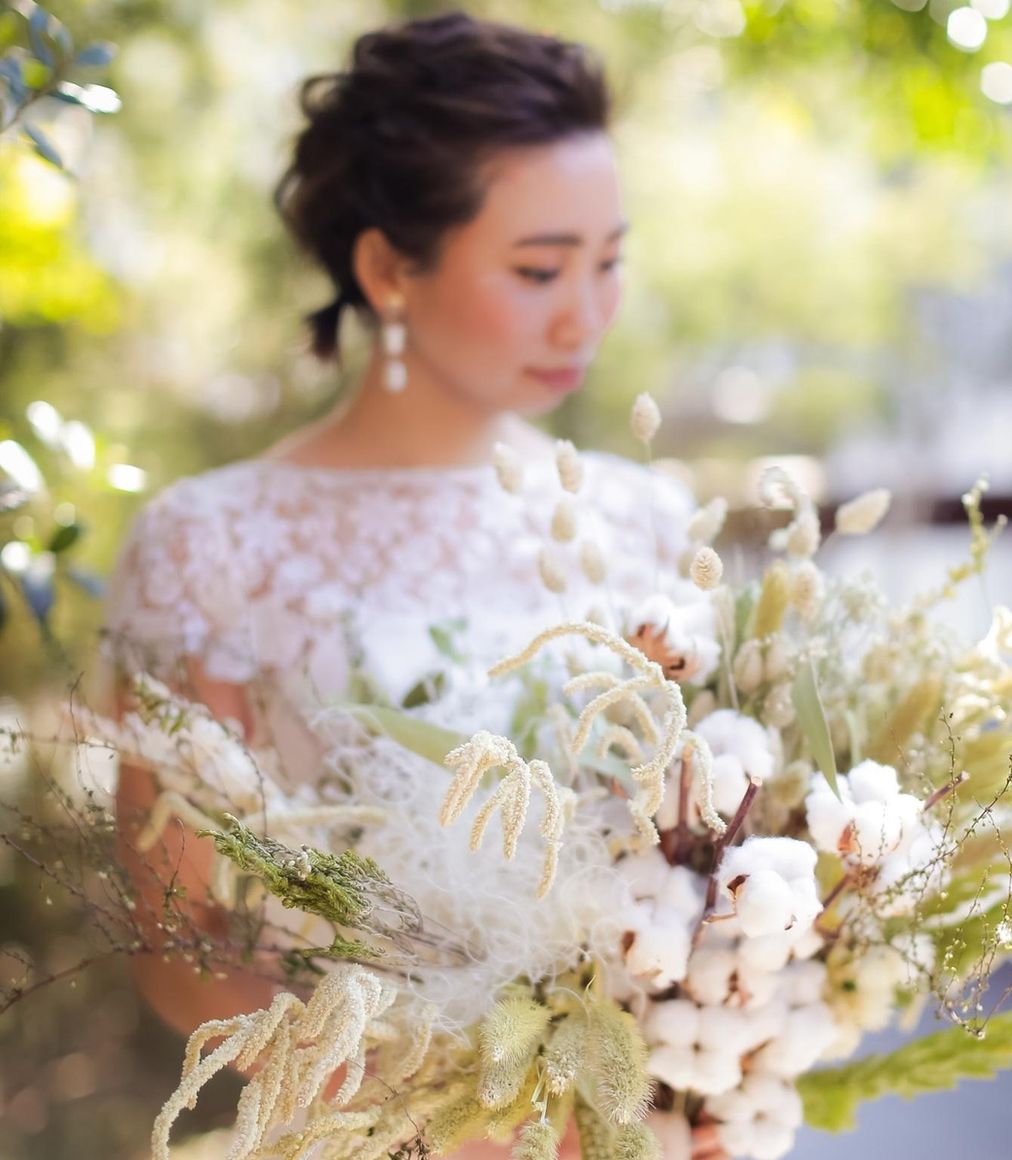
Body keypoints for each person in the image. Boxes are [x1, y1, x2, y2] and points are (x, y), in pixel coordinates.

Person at [106, 12, 723, 1159]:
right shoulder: (210, 545)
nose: (585, 311)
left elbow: (709, 870)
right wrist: (449, 1100)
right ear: (389, 267)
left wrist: (716, 1067)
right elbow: (180, 943)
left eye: (607, 261)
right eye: (537, 268)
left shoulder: (644, 520)